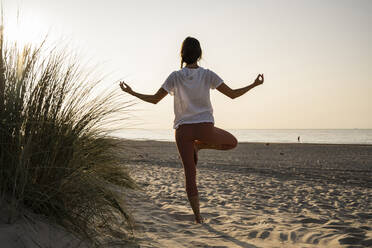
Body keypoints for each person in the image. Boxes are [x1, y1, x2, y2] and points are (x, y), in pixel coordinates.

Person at [120, 37, 264, 223]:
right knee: (232, 142)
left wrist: (132, 92)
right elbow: (233, 95)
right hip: (205, 128)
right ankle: (200, 146)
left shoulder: (175, 76)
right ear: (200, 54)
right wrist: (254, 84)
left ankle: (197, 216)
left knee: (190, 174)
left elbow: (155, 100)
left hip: (182, 132)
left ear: (182, 55)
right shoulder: (207, 74)